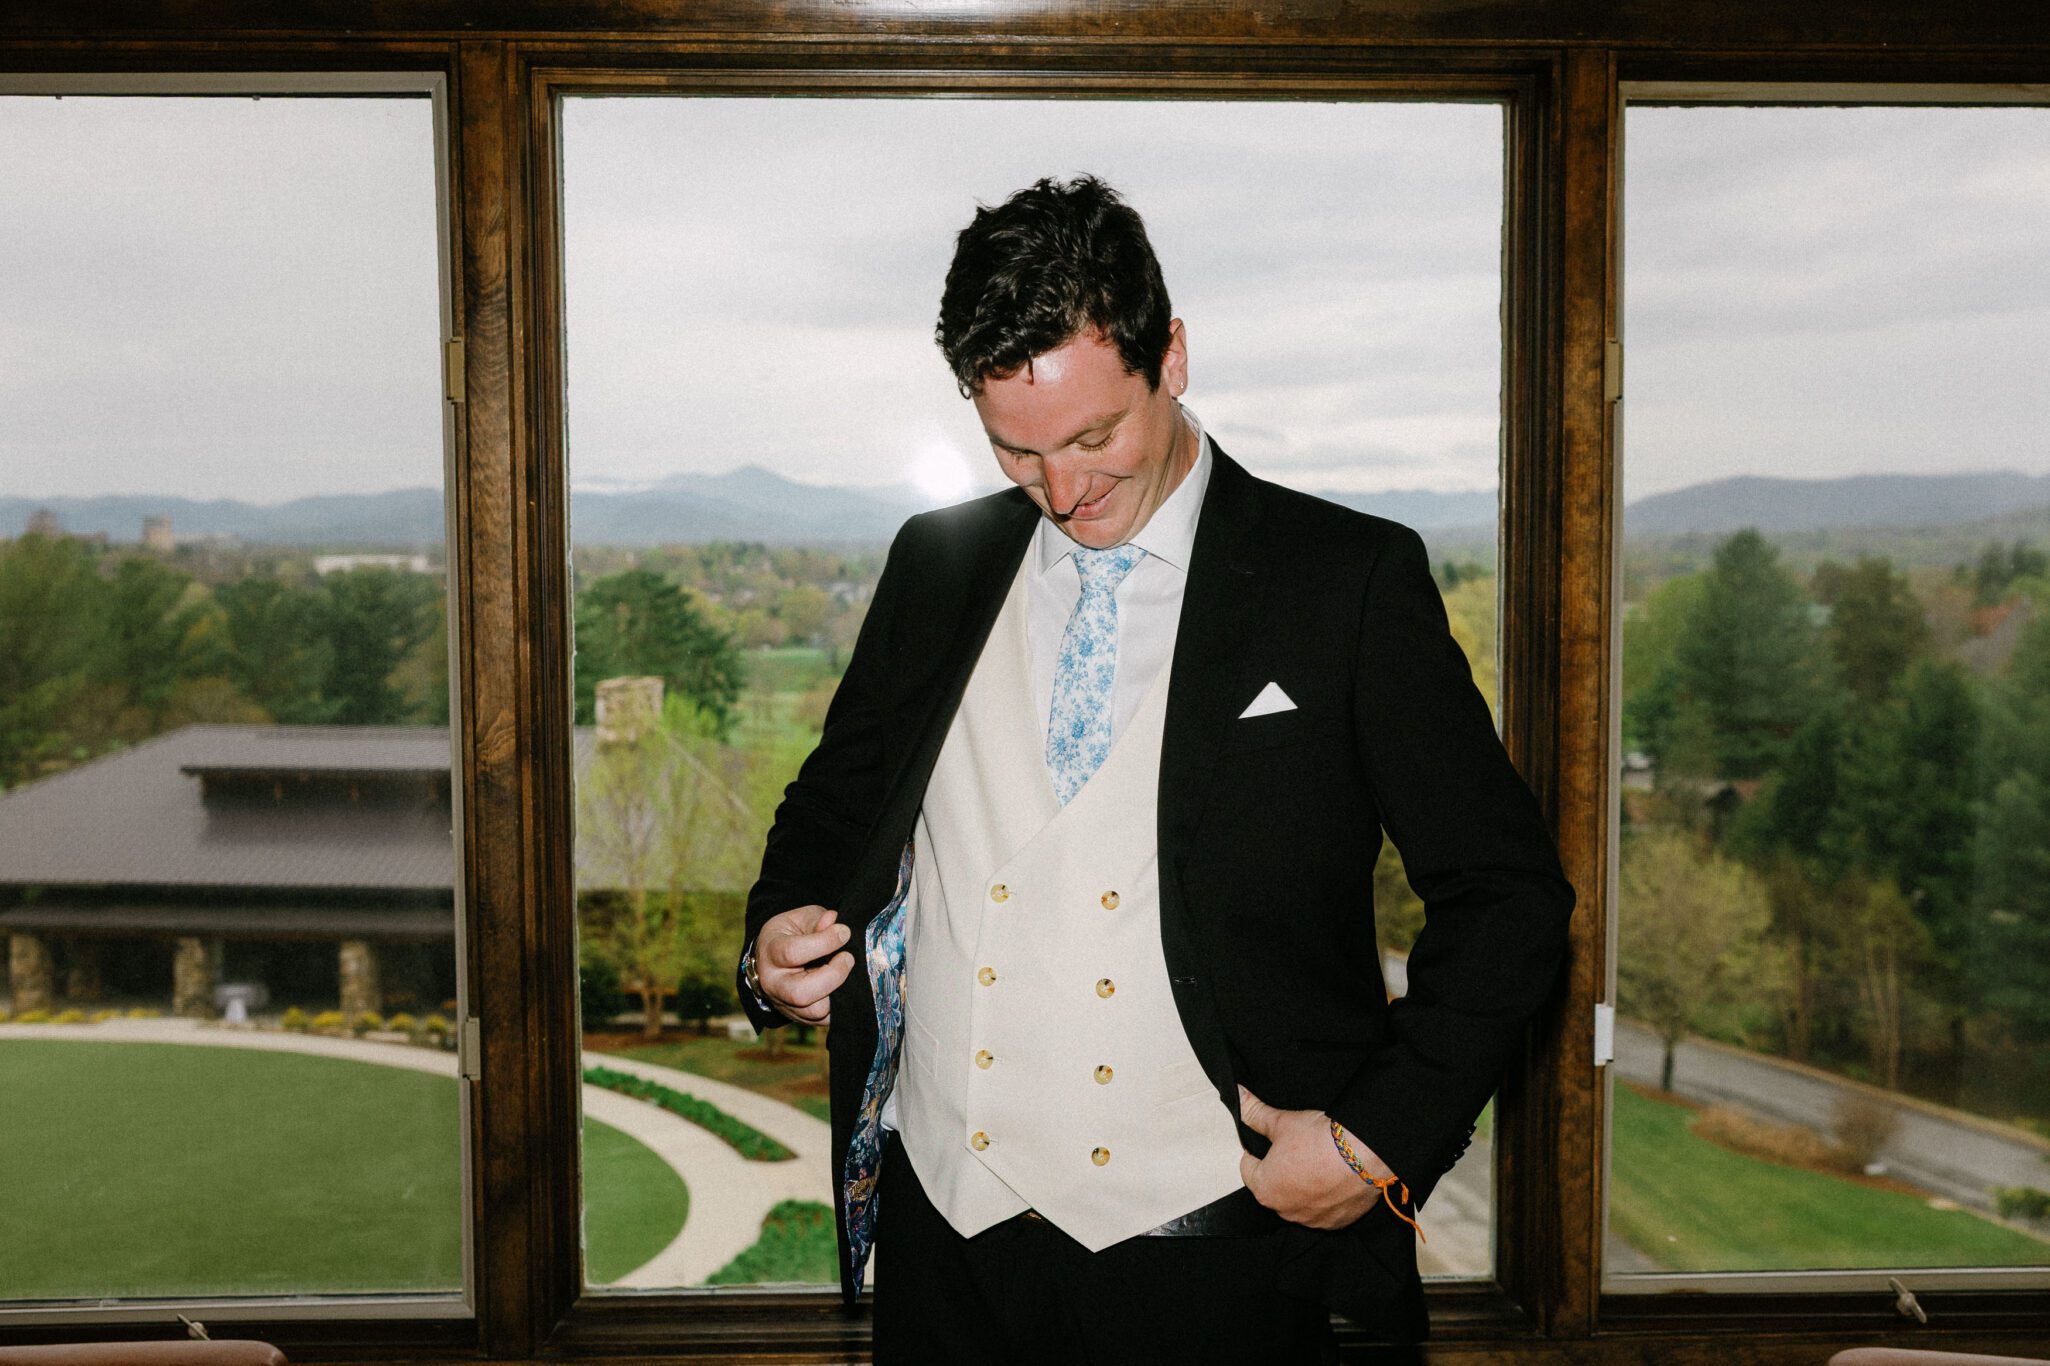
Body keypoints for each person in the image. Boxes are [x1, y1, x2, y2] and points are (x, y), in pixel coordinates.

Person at [736, 174, 1575, 1361]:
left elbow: (1507, 898)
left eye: (1093, 437)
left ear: (1169, 356)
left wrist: (1378, 1142)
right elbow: (835, 803)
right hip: (944, 1253)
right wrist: (775, 937)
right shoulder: (934, 562)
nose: (1063, 491)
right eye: (1016, 449)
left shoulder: (1345, 582)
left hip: (1224, 1263)